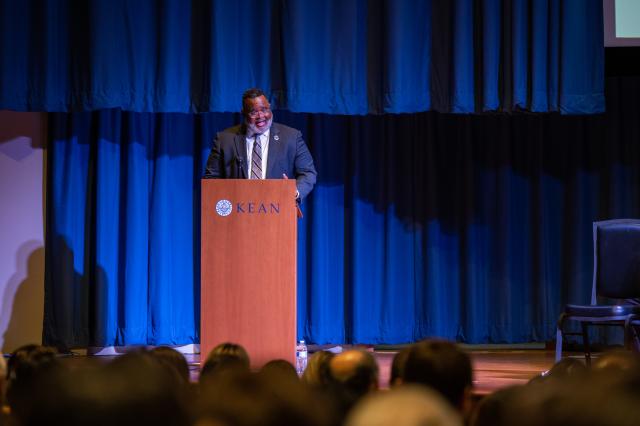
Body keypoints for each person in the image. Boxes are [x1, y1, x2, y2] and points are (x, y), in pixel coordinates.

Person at [203, 88, 317, 202]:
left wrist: (294, 191)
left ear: (270, 107)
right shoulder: (224, 139)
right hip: (236, 211)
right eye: (253, 112)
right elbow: (211, 179)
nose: (261, 116)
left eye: (264, 109)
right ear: (243, 113)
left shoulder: (291, 137)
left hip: (278, 209)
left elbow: (308, 172)